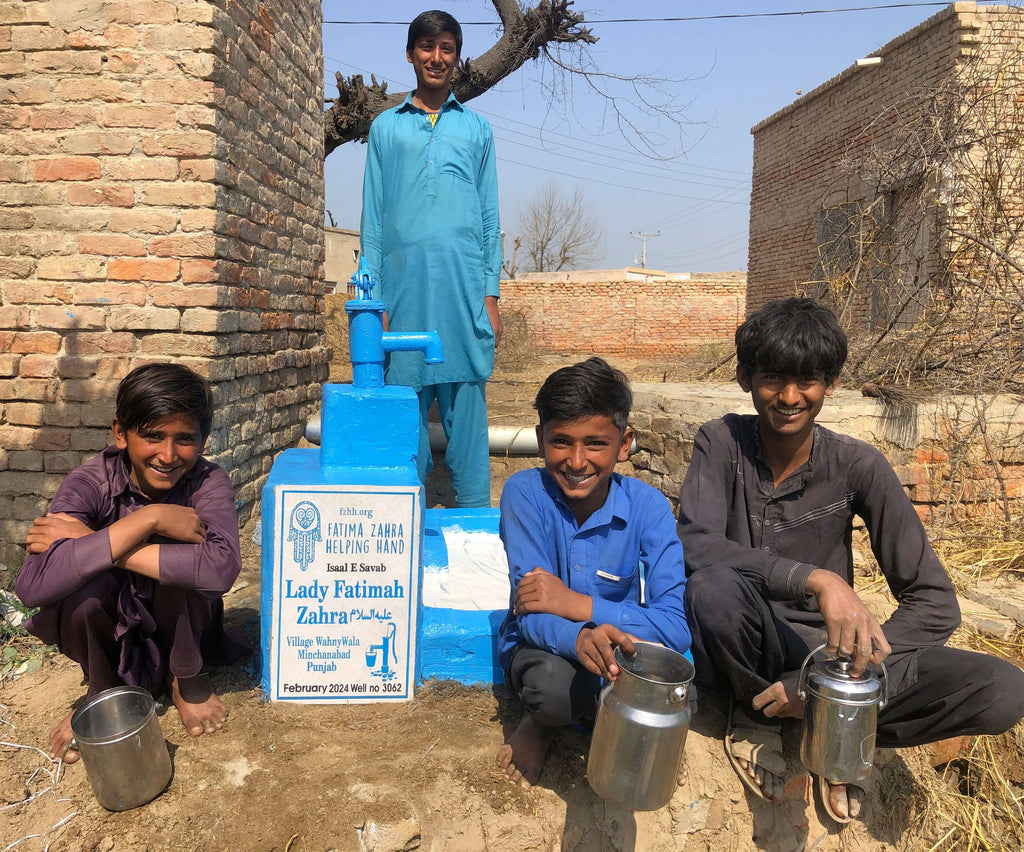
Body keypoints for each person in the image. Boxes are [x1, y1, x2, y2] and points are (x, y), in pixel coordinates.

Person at [678, 297, 1024, 823]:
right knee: (711, 591)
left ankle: (840, 728)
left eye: (808, 380)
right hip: (749, 642)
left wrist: (845, 673)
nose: (790, 397)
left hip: (833, 659)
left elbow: (934, 602)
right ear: (746, 378)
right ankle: (757, 716)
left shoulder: (858, 465)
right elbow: (694, 543)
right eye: (773, 378)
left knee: (1004, 691)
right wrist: (816, 580)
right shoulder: (721, 441)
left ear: (831, 382)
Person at [16, 363, 249, 762]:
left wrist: (94, 542)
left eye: (185, 439)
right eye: (153, 436)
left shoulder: (208, 483)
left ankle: (184, 678)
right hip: (112, 624)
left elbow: (220, 569)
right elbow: (32, 586)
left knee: (184, 570)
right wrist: (149, 519)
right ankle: (103, 694)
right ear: (121, 433)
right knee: (83, 592)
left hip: (183, 625)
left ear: (204, 441)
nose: (168, 454)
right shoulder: (91, 483)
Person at [495, 357, 690, 788]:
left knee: (679, 692)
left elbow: (675, 628)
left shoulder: (649, 508)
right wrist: (578, 636)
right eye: (561, 442)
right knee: (550, 688)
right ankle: (543, 724)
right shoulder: (524, 494)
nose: (577, 461)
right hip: (545, 645)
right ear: (540, 438)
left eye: (596, 444)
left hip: (616, 653)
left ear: (624, 444)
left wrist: (578, 605)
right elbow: (532, 612)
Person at [360, 9, 502, 508]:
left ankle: (477, 527)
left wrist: (490, 293)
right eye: (427, 47)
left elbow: (489, 219)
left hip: (464, 291)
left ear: (457, 58)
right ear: (410, 53)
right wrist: (372, 295)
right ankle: (405, 528)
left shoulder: (477, 129)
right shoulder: (385, 128)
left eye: (446, 48)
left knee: (466, 410)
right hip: (402, 292)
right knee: (406, 408)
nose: (436, 58)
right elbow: (372, 222)